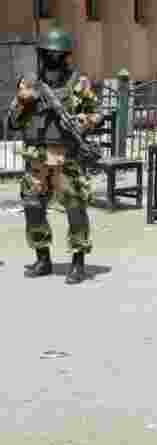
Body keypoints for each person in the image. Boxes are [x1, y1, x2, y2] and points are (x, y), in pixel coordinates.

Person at [7, 28, 100, 285]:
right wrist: (24, 101)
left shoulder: (78, 83)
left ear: (65, 56)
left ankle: (78, 262)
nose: (52, 58)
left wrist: (83, 121)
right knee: (33, 206)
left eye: (57, 55)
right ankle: (43, 258)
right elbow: (13, 123)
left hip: (66, 156)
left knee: (75, 207)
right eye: (47, 54)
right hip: (36, 156)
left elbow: (97, 113)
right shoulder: (29, 82)